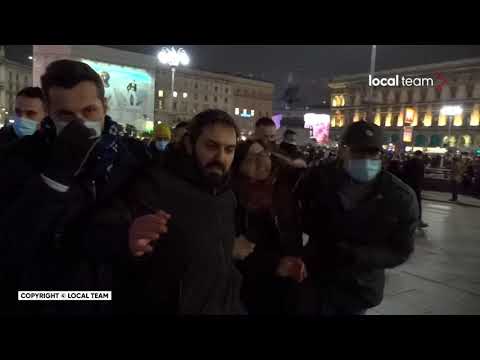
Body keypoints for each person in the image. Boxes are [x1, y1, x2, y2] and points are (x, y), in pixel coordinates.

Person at [0, 59, 150, 316]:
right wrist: (54, 180)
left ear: (105, 106)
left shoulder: (133, 161)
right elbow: (10, 247)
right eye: (66, 115)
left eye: (89, 111)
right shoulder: (17, 160)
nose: (80, 124)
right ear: (48, 111)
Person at [115, 110, 245, 315]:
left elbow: (222, 265)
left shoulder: (227, 195)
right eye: (211, 146)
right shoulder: (155, 186)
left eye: (229, 150)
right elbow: (127, 258)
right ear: (189, 144)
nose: (221, 157)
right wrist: (130, 244)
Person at [283, 121, 419, 315]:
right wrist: (296, 252)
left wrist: (358, 255)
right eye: (358, 152)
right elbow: (292, 216)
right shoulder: (317, 179)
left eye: (373, 153)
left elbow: (401, 250)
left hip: (358, 288)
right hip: (314, 279)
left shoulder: (399, 196)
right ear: (342, 151)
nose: (366, 159)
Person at [230, 139, 306, 315]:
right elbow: (238, 248)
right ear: (238, 164)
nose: (261, 162)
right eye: (251, 158)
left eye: (264, 155)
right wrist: (274, 264)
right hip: (252, 283)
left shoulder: (283, 187)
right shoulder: (232, 196)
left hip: (289, 277)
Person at [403, 150, 428, 228]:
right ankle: (418, 220)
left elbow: (403, 173)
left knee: (407, 203)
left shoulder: (408, 162)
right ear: (420, 155)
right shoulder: (421, 163)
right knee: (417, 204)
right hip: (416, 187)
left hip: (407, 186)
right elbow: (421, 176)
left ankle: (405, 219)